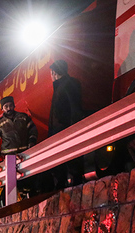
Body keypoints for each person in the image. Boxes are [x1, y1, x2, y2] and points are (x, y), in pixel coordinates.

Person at [48, 59, 84, 188]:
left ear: (54, 72)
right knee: (63, 167)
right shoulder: (62, 86)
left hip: (66, 132)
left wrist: (72, 130)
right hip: (61, 133)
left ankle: (74, 189)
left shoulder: (67, 85)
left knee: (72, 165)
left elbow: (74, 109)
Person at [0, 96, 37, 162]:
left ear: (14, 106)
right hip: (8, 157)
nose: (9, 108)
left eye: (11, 105)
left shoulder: (24, 117)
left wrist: (32, 142)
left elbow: (33, 130)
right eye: (6, 106)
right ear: (2, 108)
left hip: (26, 153)